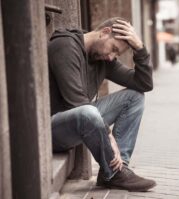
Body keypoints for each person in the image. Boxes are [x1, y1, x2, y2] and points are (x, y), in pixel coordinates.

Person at [48, 17, 156, 192]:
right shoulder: (64, 46)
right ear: (105, 33)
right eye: (113, 49)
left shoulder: (103, 60)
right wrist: (109, 135)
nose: (111, 57)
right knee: (88, 112)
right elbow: (75, 103)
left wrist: (140, 49)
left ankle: (118, 169)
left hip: (81, 118)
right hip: (52, 129)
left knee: (135, 97)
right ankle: (114, 172)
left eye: (116, 54)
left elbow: (144, 84)